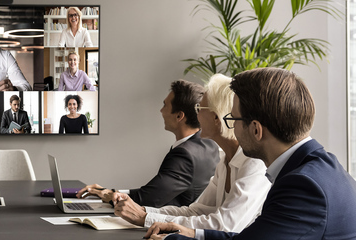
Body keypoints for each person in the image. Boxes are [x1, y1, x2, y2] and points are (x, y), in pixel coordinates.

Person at [145, 68, 356, 240]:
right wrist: (191, 233)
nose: (232, 130)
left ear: (256, 129)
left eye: (233, 120)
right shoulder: (319, 168)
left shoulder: (302, 185)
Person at [110, 74, 270, 232]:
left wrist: (144, 218)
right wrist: (144, 212)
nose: (196, 115)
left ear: (216, 117)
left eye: (200, 108)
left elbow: (224, 226)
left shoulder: (254, 163)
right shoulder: (225, 161)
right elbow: (196, 211)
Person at [77, 80, 219, 207]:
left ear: (179, 116)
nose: (161, 111)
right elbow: (151, 193)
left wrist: (108, 195)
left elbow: (147, 199)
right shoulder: (209, 144)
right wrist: (109, 192)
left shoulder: (185, 154)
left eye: (165, 105)